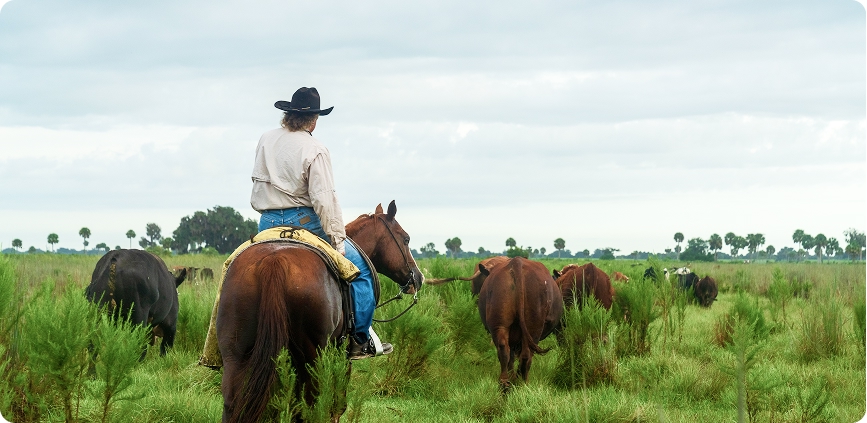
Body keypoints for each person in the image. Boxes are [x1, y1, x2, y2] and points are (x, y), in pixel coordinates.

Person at [250, 87, 391, 359]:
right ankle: (360, 340)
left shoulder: (265, 139)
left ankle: (221, 347)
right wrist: (337, 240)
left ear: (288, 114)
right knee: (360, 271)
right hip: (305, 222)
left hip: (266, 224)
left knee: (233, 267)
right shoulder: (315, 149)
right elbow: (324, 200)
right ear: (314, 119)